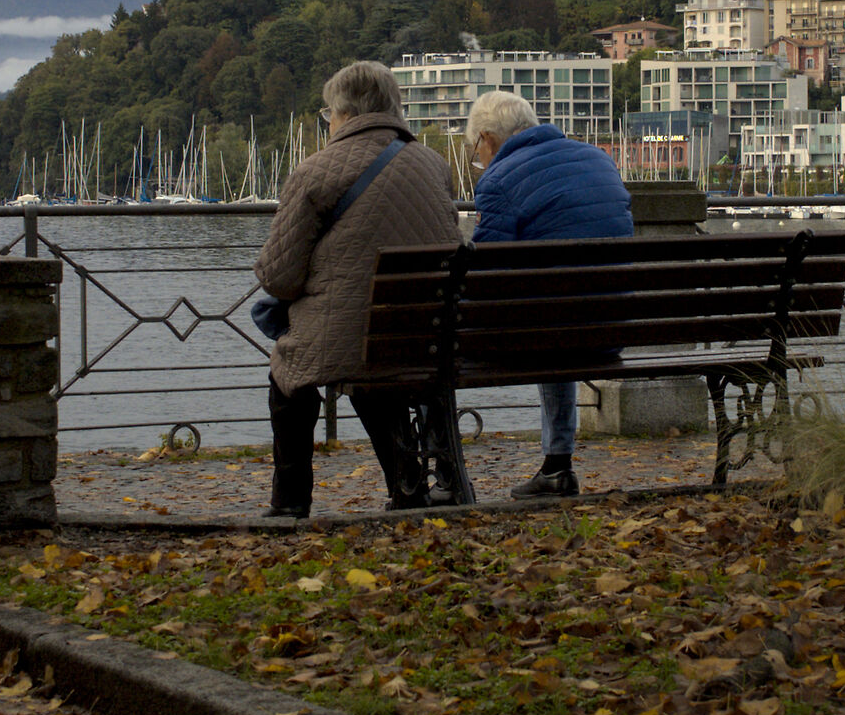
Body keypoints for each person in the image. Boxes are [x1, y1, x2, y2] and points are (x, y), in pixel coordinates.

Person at [252, 61, 460, 517]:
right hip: (423, 333)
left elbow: (278, 276)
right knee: (374, 376)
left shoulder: (316, 171)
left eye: (328, 114)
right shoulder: (434, 165)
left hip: (348, 334)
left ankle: (290, 502)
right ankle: (408, 489)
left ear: (342, 113)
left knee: (288, 373)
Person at [468, 89, 632, 498]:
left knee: (536, 323)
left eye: (476, 147)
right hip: (611, 332)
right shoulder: (599, 158)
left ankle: (442, 466)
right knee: (552, 318)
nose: (478, 157)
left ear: (487, 139)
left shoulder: (499, 180)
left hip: (551, 336)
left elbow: (486, 272)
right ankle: (557, 465)